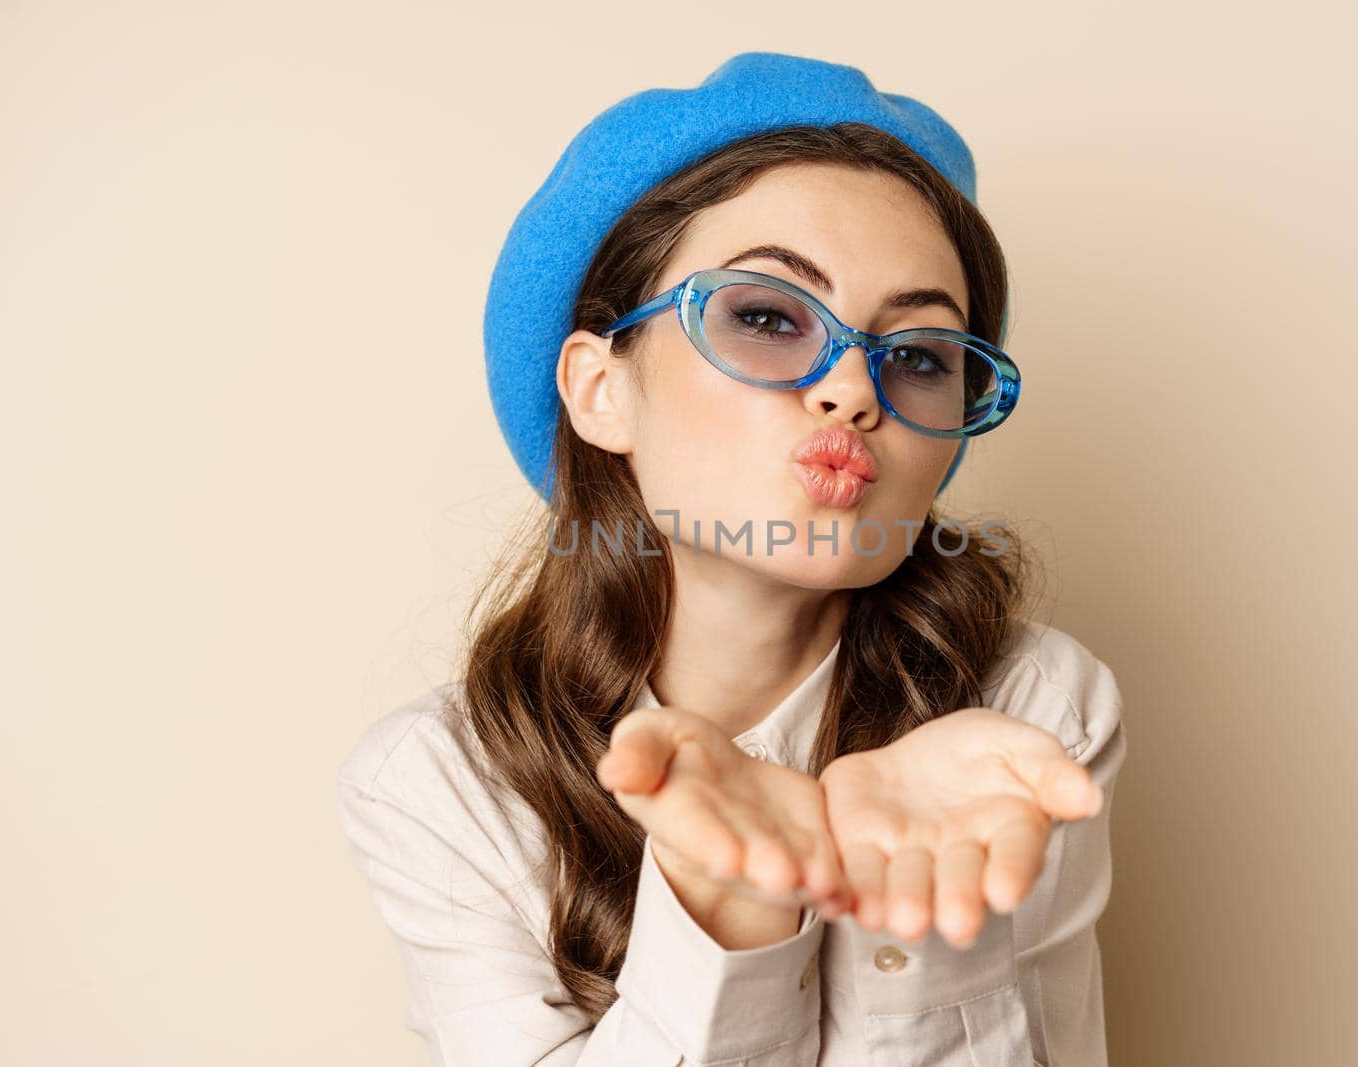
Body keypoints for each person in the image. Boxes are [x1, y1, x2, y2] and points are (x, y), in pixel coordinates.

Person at [334, 51, 1128, 1066]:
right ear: (598, 388)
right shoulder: (442, 779)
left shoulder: (1030, 711)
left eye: (921, 355)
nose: (852, 389)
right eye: (764, 316)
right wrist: (731, 910)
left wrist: (910, 922)